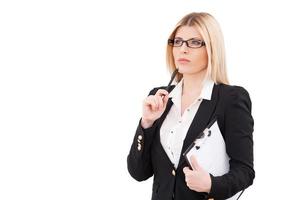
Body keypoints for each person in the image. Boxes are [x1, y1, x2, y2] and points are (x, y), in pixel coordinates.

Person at [127, 12, 254, 200]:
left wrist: (211, 184)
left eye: (194, 42)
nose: (183, 49)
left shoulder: (231, 99)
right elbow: (139, 173)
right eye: (177, 41)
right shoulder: (160, 97)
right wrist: (146, 123)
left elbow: (245, 171)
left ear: (211, 48)